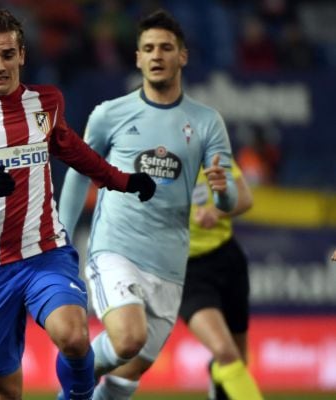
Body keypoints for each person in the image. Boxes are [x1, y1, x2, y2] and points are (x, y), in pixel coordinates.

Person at [0, 8, 156, 400]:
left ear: (22, 55)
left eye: (7, 55)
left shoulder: (46, 103)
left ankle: (78, 396)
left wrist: (123, 180)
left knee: (75, 336)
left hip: (46, 252)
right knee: (4, 391)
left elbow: (75, 151)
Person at [58, 9, 238, 399]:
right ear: (138, 57)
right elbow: (77, 174)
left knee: (130, 369)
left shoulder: (207, 122)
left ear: (183, 56)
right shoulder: (110, 114)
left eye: (166, 48)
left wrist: (223, 192)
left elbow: (231, 198)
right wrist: (61, 237)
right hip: (116, 248)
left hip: (171, 264)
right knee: (127, 339)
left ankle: (72, 387)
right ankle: (73, 364)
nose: (157, 55)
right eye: (149, 48)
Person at [179, 160, 263, 400]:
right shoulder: (157, 161)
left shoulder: (212, 154)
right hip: (187, 270)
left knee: (238, 358)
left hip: (227, 259)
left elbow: (246, 198)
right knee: (225, 352)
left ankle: (217, 378)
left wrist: (215, 212)